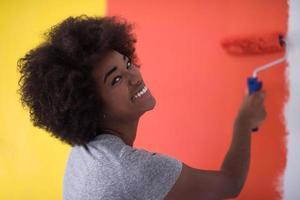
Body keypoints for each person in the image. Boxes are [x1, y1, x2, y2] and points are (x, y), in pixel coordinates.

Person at [17, 15, 266, 200]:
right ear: (90, 106)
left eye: (127, 63)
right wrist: (243, 121)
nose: (134, 77)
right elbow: (231, 184)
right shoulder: (132, 169)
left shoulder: (83, 152)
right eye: (115, 80)